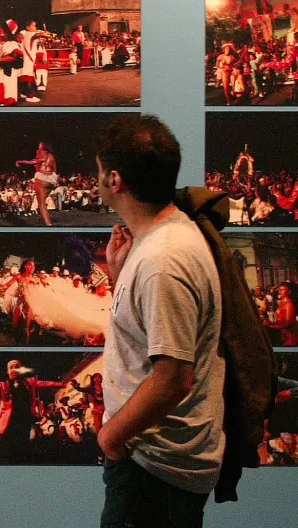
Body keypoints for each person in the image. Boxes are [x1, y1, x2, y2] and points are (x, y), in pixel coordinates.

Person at [95, 115, 224, 527]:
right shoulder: (159, 244)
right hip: (154, 464)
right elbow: (146, 338)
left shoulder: (162, 261)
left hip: (153, 470)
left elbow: (172, 379)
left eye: (98, 171)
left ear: (115, 179)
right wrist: (119, 277)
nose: (95, 180)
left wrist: (110, 438)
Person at [0, 359, 66, 464]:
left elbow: (44, 383)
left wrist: (60, 384)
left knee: (23, 448)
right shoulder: (2, 385)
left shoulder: (29, 382)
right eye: (11, 367)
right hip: (9, 423)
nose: (13, 369)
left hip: (24, 420)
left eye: (16, 367)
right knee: (7, 449)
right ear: (7, 371)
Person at [15, 141, 58, 226]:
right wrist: (53, 181)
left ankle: (48, 225)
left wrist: (21, 161)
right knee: (43, 202)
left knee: (41, 204)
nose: (38, 146)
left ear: (44, 146)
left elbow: (35, 161)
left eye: (40, 145)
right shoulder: (52, 156)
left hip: (42, 179)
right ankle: (47, 222)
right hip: (51, 180)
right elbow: (54, 170)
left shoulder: (42, 152)